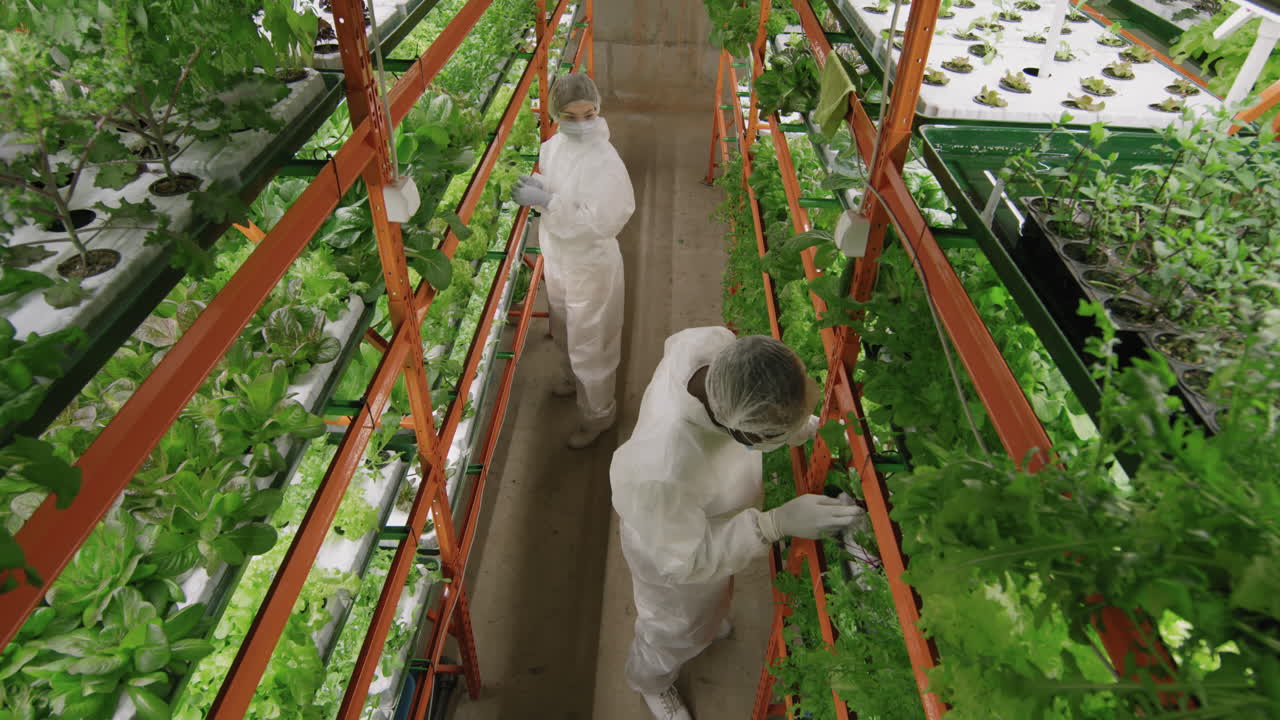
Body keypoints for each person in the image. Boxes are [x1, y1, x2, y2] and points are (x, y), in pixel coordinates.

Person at [610, 329, 866, 720]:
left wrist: (802, 424)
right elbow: (690, 560)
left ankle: (707, 627)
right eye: (774, 434)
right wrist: (773, 525)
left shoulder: (711, 352)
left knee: (712, 605)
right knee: (673, 626)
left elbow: (759, 389)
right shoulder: (661, 470)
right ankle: (651, 681)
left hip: (707, 510)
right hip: (669, 544)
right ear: (743, 431)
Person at [510, 72, 635, 449]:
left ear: (598, 109)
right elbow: (559, 188)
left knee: (590, 344)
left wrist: (549, 202)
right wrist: (540, 190)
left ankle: (598, 417)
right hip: (559, 257)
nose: (581, 124)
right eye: (570, 116)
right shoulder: (553, 147)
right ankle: (570, 380)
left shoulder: (606, 162)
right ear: (554, 114)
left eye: (589, 113)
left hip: (591, 267)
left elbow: (603, 221)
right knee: (563, 326)